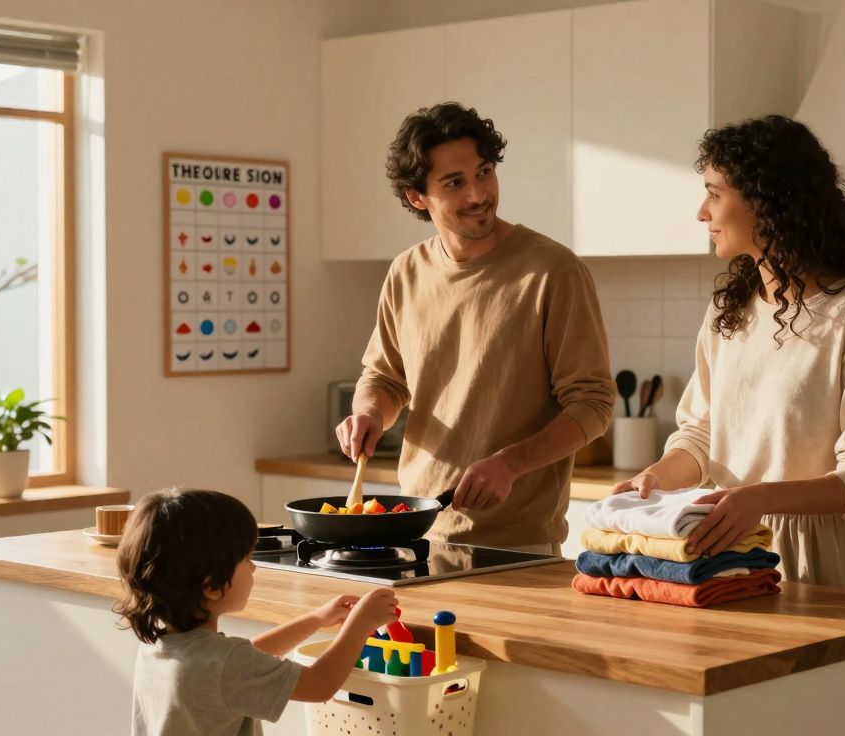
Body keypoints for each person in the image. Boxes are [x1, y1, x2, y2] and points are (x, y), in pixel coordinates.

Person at [612, 115, 845, 592]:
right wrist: (654, 479)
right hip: (724, 557)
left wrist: (758, 498)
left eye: (714, 194)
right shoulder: (727, 313)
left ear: (766, 202)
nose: (701, 213)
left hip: (817, 563)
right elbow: (701, 435)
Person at [336, 102, 615, 554]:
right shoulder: (407, 271)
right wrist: (368, 413)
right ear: (417, 197)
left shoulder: (552, 271)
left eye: (484, 172)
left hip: (518, 547)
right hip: (416, 535)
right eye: (455, 183)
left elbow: (593, 404)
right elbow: (385, 378)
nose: (478, 194)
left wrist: (510, 463)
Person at [115, 488, 399, 735]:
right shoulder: (225, 664)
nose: (253, 568)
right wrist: (360, 625)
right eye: (247, 559)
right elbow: (320, 685)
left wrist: (316, 619)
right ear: (212, 587)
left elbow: (244, 657)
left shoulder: (159, 646)